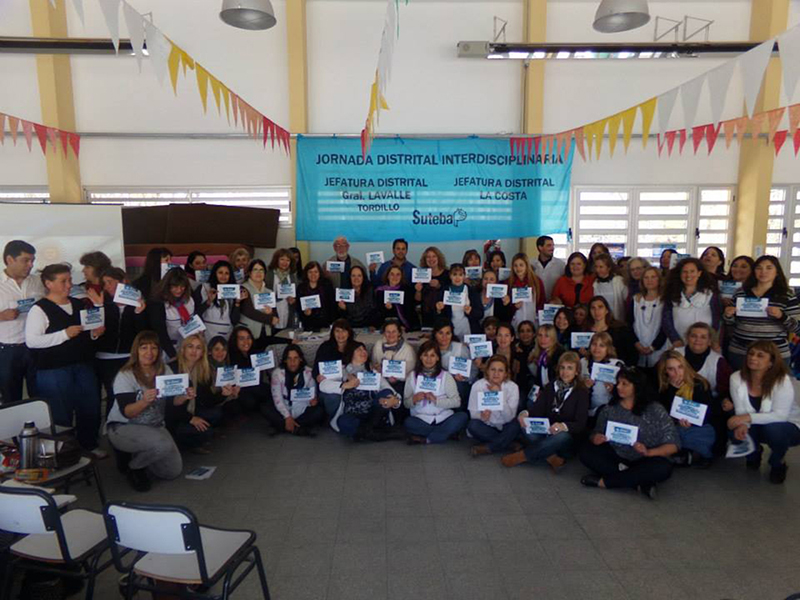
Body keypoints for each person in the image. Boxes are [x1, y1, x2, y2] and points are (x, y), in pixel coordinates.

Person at [25, 263, 105, 455]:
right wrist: (64, 334)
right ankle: (64, 453)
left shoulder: (78, 304)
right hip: (54, 370)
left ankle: (89, 445)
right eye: (63, 281)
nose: (69, 285)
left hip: (82, 365)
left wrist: (94, 334)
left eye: (69, 280)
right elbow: (32, 341)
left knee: (90, 406)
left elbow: (86, 333)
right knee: (60, 412)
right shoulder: (39, 309)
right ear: (49, 283)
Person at [580, 367, 680, 499]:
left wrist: (648, 452)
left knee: (663, 468)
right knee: (586, 452)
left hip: (645, 458)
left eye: (624, 384)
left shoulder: (655, 409)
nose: (618, 387)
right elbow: (595, 432)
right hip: (617, 455)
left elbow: (674, 444)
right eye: (618, 383)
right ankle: (637, 482)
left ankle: (605, 482)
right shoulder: (610, 408)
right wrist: (595, 438)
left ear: (637, 387)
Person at [107, 331, 183, 491]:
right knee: (162, 445)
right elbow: (127, 412)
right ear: (136, 350)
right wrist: (144, 401)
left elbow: (175, 401)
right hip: (124, 426)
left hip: (154, 425)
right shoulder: (125, 375)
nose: (149, 352)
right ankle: (134, 467)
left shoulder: (165, 369)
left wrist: (185, 396)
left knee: (172, 471)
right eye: (144, 348)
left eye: (154, 348)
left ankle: (141, 453)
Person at [727, 341, 800, 484]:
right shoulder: (736, 377)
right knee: (733, 425)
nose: (753, 358)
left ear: (771, 363)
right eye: (751, 354)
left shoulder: (782, 380)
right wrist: (741, 424)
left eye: (760, 355)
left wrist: (746, 418)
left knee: (773, 429)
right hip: (757, 424)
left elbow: (780, 416)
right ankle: (753, 453)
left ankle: (777, 462)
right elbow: (740, 410)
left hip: (786, 426)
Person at [504, 351, 590, 470]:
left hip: (566, 438)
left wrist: (562, 426)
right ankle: (550, 457)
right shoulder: (551, 386)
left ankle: (523, 456)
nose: (565, 372)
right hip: (547, 431)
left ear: (576, 371)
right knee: (524, 425)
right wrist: (525, 414)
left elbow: (580, 424)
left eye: (570, 368)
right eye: (562, 368)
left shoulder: (582, 392)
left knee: (562, 436)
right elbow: (538, 408)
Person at [723, 255, 800, 371]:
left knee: (774, 383)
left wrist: (781, 316)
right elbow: (731, 324)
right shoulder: (740, 293)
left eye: (769, 268)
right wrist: (728, 315)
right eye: (759, 268)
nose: (763, 272)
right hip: (741, 352)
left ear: (777, 272)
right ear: (753, 271)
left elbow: (798, 328)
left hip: (774, 355)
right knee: (739, 382)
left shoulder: (787, 296)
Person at [323, 342, 404, 440]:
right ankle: (376, 433)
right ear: (351, 353)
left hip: (373, 413)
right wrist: (345, 385)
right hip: (353, 414)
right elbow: (323, 385)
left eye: (364, 349)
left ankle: (365, 433)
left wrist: (395, 401)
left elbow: (390, 390)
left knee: (386, 392)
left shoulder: (372, 371)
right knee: (343, 421)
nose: (363, 352)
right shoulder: (342, 371)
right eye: (359, 349)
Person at [96, 267, 148, 416]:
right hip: (105, 357)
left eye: (110, 282)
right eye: (104, 283)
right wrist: (98, 307)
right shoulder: (103, 303)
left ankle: (126, 423)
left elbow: (142, 333)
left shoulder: (137, 303)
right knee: (111, 393)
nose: (107, 286)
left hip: (128, 356)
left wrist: (138, 313)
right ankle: (111, 424)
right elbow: (95, 331)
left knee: (127, 393)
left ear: (123, 281)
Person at [676, 322, 732, 455]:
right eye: (693, 336)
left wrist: (726, 400)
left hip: (707, 404)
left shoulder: (718, 361)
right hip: (676, 401)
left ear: (710, 341)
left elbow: (725, 389)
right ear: (687, 338)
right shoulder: (675, 354)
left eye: (703, 337)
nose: (697, 340)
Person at [0, 240, 44, 404]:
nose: (30, 265)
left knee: (40, 396)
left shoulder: (37, 281)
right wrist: (1, 316)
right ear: (10, 259)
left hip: (36, 347)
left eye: (32, 260)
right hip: (7, 351)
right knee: (11, 399)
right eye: (26, 260)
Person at [167, 334, 225, 453]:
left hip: (191, 410)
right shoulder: (172, 368)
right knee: (207, 433)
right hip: (172, 416)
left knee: (216, 414)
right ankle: (177, 441)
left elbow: (208, 400)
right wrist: (190, 418)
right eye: (190, 346)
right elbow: (167, 406)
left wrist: (224, 394)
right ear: (183, 349)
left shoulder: (202, 369)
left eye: (198, 348)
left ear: (202, 352)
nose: (194, 351)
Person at [657, 350, 716, 467]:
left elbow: (708, 413)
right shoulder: (663, 387)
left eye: (680, 367)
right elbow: (663, 413)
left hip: (698, 427)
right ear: (665, 371)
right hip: (674, 425)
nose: (677, 373)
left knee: (700, 433)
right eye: (671, 369)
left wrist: (692, 422)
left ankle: (691, 452)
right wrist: (672, 390)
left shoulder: (699, 384)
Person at [403, 340, 468, 444]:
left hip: (444, 418)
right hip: (421, 419)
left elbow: (456, 402)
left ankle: (427, 439)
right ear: (420, 357)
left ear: (438, 358)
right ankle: (446, 434)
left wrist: (436, 401)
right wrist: (414, 399)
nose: (429, 359)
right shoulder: (412, 376)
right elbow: (406, 403)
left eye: (432, 355)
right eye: (425, 355)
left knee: (462, 416)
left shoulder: (446, 376)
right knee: (408, 423)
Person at [467, 355, 520, 456]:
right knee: (472, 425)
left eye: (500, 370)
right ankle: (508, 443)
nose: (496, 374)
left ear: (505, 373)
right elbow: (473, 413)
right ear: (487, 371)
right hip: (487, 426)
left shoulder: (513, 387)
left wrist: (499, 396)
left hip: (505, 425)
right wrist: (482, 416)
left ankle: (489, 448)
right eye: (493, 369)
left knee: (515, 425)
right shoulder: (478, 386)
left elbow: (509, 418)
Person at [662, 257, 721, 348]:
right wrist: (675, 340)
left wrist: (711, 339)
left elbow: (716, 319)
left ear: (699, 273)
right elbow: (666, 320)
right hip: (679, 343)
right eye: (684, 272)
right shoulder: (671, 294)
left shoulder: (710, 293)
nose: (688, 275)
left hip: (703, 344)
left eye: (692, 271)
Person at [269, 344, 325, 435]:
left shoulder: (308, 372)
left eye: (296, 358)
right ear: (285, 360)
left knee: (319, 411)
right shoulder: (277, 373)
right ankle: (298, 428)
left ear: (300, 359)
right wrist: (287, 416)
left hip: (302, 407)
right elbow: (277, 399)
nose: (292, 362)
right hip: (284, 406)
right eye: (289, 358)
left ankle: (287, 427)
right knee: (265, 407)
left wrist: (313, 401)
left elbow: (312, 393)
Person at [148, 267, 195, 364]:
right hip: (167, 349)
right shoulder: (158, 303)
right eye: (175, 286)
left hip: (186, 346)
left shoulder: (189, 299)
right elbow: (161, 333)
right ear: (167, 286)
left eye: (182, 286)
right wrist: (173, 355)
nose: (179, 290)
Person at [313, 319, 357, 420]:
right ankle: (333, 420)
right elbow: (315, 370)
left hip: (351, 384)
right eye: (337, 331)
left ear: (349, 332)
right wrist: (318, 376)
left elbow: (364, 365)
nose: (340, 334)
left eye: (344, 331)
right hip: (329, 387)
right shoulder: (325, 347)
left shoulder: (356, 347)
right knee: (333, 398)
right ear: (333, 333)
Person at [227, 325, 273, 418]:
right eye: (242, 339)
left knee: (271, 391)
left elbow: (269, 339)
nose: (246, 342)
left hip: (256, 388)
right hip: (240, 391)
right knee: (250, 401)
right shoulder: (229, 357)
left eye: (248, 338)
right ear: (235, 341)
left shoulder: (254, 353)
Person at [193, 260, 243, 343]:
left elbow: (234, 320)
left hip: (226, 334)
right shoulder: (203, 288)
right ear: (214, 273)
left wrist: (237, 303)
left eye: (227, 273)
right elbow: (195, 313)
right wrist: (208, 302)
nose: (223, 276)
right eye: (220, 272)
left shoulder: (234, 291)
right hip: (207, 333)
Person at [580, 332, 625, 422]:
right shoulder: (582, 362)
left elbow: (626, 390)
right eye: (594, 344)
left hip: (607, 410)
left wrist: (613, 390)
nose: (597, 348)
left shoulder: (616, 364)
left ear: (608, 348)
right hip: (584, 409)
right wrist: (583, 386)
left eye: (602, 345)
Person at [631, 266, 668, 369]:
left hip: (659, 348)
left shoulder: (665, 300)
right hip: (638, 347)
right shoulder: (636, 299)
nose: (649, 280)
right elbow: (629, 323)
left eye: (653, 277)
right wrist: (637, 344)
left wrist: (653, 347)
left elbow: (666, 326)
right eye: (646, 277)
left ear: (659, 279)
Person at [435, 263, 484, 340]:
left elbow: (480, 314)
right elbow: (439, 317)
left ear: (464, 276)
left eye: (460, 275)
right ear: (450, 276)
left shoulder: (472, 291)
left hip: (469, 330)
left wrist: (471, 311)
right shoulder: (444, 291)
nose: (457, 278)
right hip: (450, 331)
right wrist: (438, 309)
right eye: (454, 274)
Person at [239, 259, 279, 351]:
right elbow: (248, 311)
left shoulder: (269, 291)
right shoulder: (243, 288)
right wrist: (270, 319)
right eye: (255, 270)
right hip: (248, 334)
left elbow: (275, 314)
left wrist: (271, 313)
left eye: (261, 270)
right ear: (249, 273)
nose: (258, 273)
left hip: (266, 333)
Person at [434, 319, 475, 409]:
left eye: (448, 333)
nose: (444, 337)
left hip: (459, 386)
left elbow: (474, 371)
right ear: (435, 334)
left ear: (452, 334)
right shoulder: (430, 349)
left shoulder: (460, 348)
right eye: (441, 333)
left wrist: (464, 378)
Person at [584, 296, 636, 365]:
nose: (596, 311)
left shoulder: (620, 330)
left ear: (607, 310)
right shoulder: (584, 331)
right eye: (593, 308)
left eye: (600, 307)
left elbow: (632, 354)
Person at [371, 319, 416, 397]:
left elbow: (410, 373)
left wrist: (397, 378)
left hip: (400, 384)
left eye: (394, 331)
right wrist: (377, 368)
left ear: (399, 333)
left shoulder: (408, 349)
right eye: (388, 332)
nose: (391, 334)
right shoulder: (378, 345)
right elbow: (374, 362)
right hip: (381, 381)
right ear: (384, 333)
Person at [526, 325, 565, 402]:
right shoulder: (539, 352)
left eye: (546, 336)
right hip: (542, 389)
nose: (542, 339)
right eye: (540, 335)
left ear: (553, 338)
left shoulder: (559, 354)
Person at [507, 253, 545, 329]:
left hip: (533, 320)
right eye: (515, 266)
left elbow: (541, 301)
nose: (518, 268)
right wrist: (514, 306)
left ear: (527, 266)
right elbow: (507, 308)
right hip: (516, 321)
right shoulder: (509, 283)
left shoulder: (537, 282)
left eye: (521, 265)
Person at [415, 246, 450, 328]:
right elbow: (417, 300)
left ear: (439, 258)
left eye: (434, 256)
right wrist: (418, 291)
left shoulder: (447, 274)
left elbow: (451, 294)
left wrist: (439, 286)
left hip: (444, 314)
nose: (431, 259)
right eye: (428, 257)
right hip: (427, 316)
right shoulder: (421, 275)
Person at [376, 265, 419, 331]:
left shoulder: (407, 290)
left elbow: (410, 310)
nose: (395, 277)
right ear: (387, 276)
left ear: (401, 277)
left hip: (408, 327)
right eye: (392, 274)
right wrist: (387, 309)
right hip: (387, 326)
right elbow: (379, 312)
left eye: (398, 275)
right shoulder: (380, 291)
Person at [297, 261, 335, 331]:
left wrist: (331, 322)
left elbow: (332, 305)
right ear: (306, 273)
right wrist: (305, 313)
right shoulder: (301, 287)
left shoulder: (327, 285)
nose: (313, 274)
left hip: (325, 324)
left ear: (320, 273)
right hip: (308, 325)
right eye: (310, 272)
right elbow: (298, 308)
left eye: (316, 272)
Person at [266, 250, 299, 331]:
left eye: (288, 260)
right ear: (276, 260)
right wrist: (275, 297)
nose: (285, 262)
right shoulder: (268, 274)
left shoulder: (292, 276)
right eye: (282, 259)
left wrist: (293, 300)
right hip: (272, 313)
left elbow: (296, 295)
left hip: (288, 312)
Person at [338, 265, 378, 329]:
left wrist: (347, 308)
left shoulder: (369, 290)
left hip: (367, 327)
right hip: (349, 327)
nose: (356, 278)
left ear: (363, 277)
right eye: (353, 276)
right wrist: (342, 309)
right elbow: (342, 316)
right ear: (349, 277)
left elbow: (369, 311)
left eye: (359, 276)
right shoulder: (343, 291)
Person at [591, 253, 627, 322]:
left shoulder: (619, 281)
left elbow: (626, 300)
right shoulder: (595, 283)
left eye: (601, 267)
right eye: (596, 267)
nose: (598, 270)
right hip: (601, 321)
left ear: (609, 268)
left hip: (617, 320)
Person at [532, 235, 565, 301]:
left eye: (553, 245)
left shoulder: (561, 265)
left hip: (554, 303)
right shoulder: (531, 263)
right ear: (540, 247)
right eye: (549, 245)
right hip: (536, 302)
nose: (552, 248)